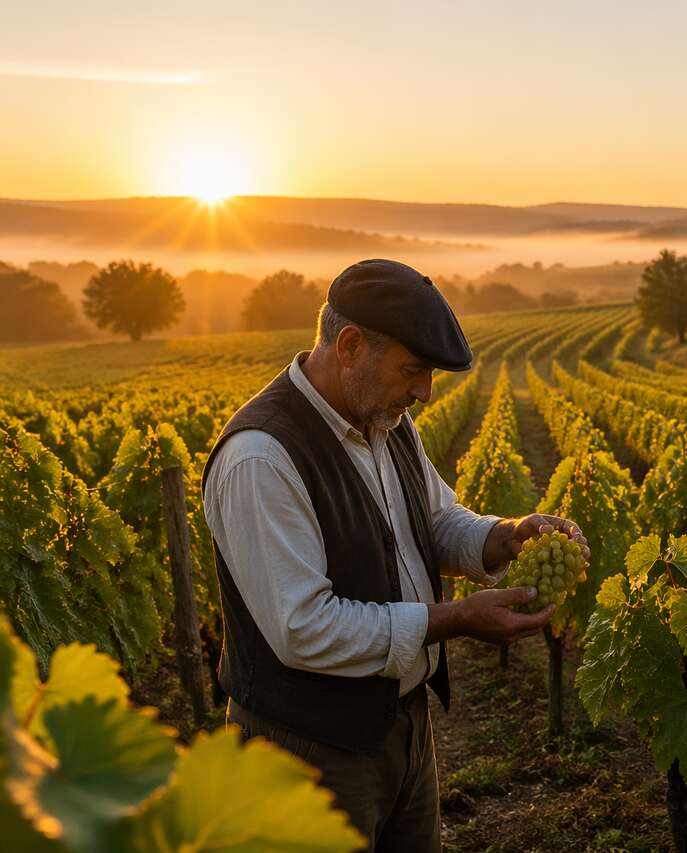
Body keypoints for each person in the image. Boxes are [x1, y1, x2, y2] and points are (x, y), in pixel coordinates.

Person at [202, 258, 588, 852]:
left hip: (403, 729)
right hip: (306, 753)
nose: (424, 393)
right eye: (413, 370)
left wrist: (503, 535)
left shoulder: (385, 420)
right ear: (351, 346)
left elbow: (433, 519)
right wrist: (455, 620)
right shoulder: (263, 456)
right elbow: (303, 629)